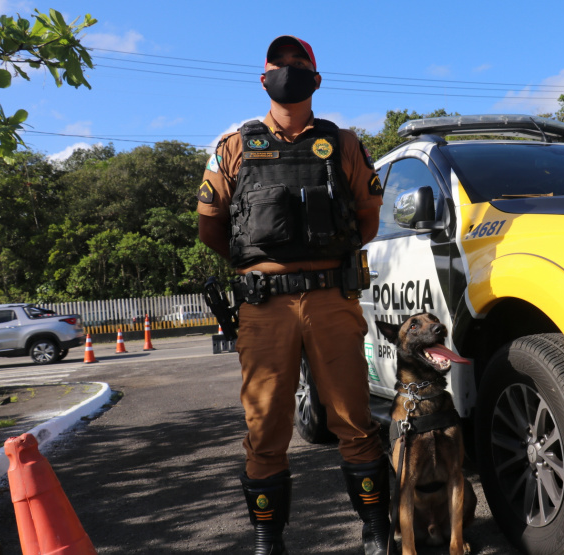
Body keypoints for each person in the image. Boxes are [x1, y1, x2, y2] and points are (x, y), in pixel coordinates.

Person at [197, 35, 390, 555]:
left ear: (315, 76)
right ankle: (268, 538)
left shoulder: (343, 142)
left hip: (331, 300)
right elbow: (211, 225)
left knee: (353, 420)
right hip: (264, 306)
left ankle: (375, 533)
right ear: (264, 77)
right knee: (265, 428)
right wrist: (261, 264)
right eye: (278, 63)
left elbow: (367, 219)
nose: (287, 69)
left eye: (297, 62)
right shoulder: (233, 143)